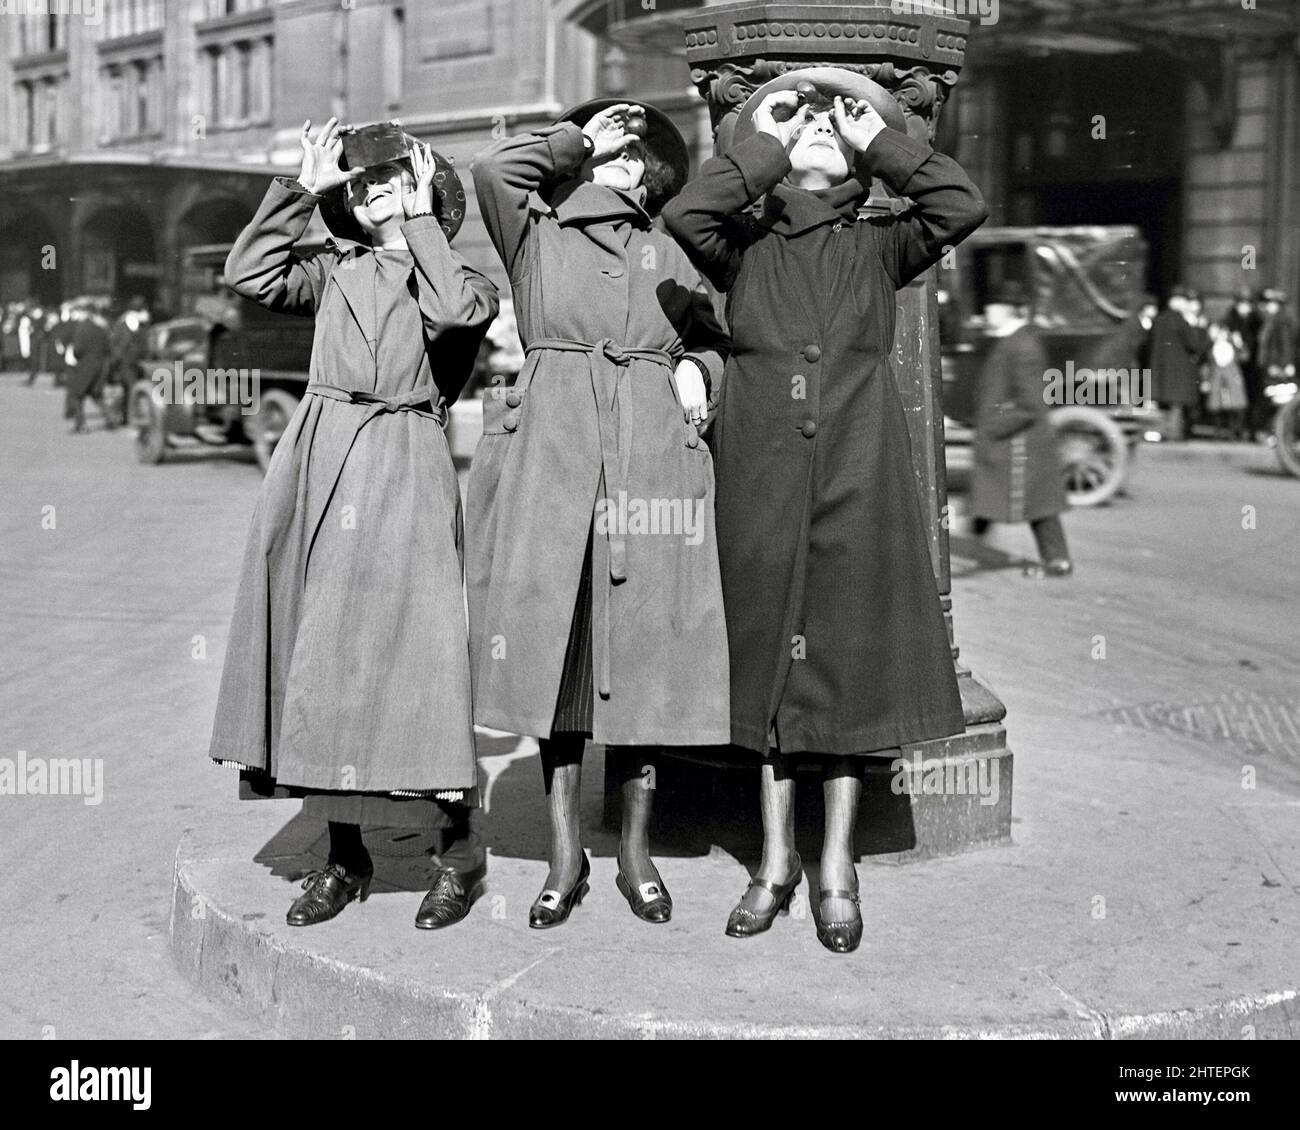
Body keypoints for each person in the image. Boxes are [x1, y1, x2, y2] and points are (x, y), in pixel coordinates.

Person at [663, 70, 986, 953]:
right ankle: (775, 863)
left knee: (842, 670)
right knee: (770, 669)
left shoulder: (881, 244)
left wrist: (880, 139)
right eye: (793, 129)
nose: (812, 133)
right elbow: (685, 214)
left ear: (856, 157)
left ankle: (834, 867)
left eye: (828, 130)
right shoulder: (742, 242)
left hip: (856, 469)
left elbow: (961, 204)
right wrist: (760, 146)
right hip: (762, 474)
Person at [208, 118, 499, 930]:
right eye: (363, 185)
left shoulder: (460, 277)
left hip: (405, 462)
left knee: (420, 658)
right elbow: (250, 271)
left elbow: (451, 316)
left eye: (392, 182)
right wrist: (301, 187)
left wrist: (414, 226)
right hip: (321, 461)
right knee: (322, 649)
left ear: (424, 194)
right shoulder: (335, 270)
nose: (375, 194)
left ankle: (458, 855)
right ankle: (343, 856)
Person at [468, 99, 731, 929]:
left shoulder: (672, 248)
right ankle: (563, 854)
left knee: (645, 659)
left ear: (652, 174)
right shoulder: (537, 234)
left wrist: (701, 374)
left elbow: (720, 335)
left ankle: (636, 853)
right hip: (555, 460)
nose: (618, 166)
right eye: (605, 153)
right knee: (558, 664)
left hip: (649, 461)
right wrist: (578, 137)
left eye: (631, 156)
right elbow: (492, 172)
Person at [969, 282, 1072, 576]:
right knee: (1036, 502)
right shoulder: (1012, 339)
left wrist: (993, 427)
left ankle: (1057, 561)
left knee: (1038, 504)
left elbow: (1029, 404)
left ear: (1006, 310)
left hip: (1021, 441)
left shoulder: (1021, 345)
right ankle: (1054, 558)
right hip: (1018, 439)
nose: (986, 312)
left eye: (991, 307)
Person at [1150, 287, 1206, 440]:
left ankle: (1162, 432)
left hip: (1162, 370)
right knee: (1177, 406)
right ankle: (1174, 435)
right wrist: (1197, 327)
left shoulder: (1159, 319)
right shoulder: (1181, 321)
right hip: (1179, 371)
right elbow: (1194, 344)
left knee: (1166, 406)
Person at [62, 302, 114, 434]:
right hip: (100, 366)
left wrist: (75, 355)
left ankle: (81, 425)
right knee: (96, 395)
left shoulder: (81, 328)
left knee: (77, 394)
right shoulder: (101, 329)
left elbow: (77, 350)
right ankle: (111, 420)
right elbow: (108, 348)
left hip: (85, 366)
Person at [106, 296, 150, 425]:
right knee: (130, 389)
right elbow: (132, 342)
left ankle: (126, 416)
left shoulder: (126, 321)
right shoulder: (137, 321)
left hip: (127, 361)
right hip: (132, 361)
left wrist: (116, 359)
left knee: (128, 389)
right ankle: (126, 416)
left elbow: (122, 342)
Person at [1225, 288, 1263, 436]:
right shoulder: (1230, 320)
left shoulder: (1257, 322)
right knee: (1234, 398)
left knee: (1251, 399)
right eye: (1242, 304)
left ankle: (1251, 430)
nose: (1245, 307)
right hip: (1234, 366)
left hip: (1252, 367)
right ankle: (1235, 429)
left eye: (1247, 304)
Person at [1204, 322, 1249, 440]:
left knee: (1234, 407)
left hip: (1232, 378)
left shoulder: (1233, 346)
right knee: (1217, 407)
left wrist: (1239, 343)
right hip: (1218, 378)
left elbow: (1245, 357)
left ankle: (1233, 432)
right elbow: (1208, 364)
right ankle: (1218, 432)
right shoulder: (1212, 346)